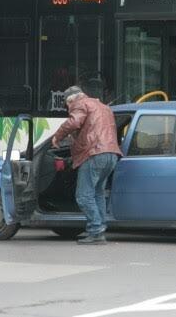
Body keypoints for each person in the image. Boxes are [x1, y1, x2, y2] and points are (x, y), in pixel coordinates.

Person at [51, 86, 122, 245]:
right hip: (111, 154)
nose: (69, 109)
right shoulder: (103, 107)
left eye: (67, 106)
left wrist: (57, 136)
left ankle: (96, 231)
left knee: (83, 196)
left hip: (94, 154)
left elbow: (75, 122)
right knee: (97, 194)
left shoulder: (79, 103)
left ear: (71, 100)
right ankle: (97, 229)